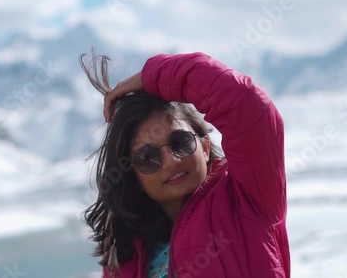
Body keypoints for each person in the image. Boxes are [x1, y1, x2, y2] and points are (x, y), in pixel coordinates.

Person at [79, 51, 290, 278]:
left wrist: (154, 77)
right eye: (148, 158)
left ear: (205, 147)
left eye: (180, 142)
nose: (171, 161)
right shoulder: (125, 255)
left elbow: (247, 104)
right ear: (134, 177)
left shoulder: (248, 199)